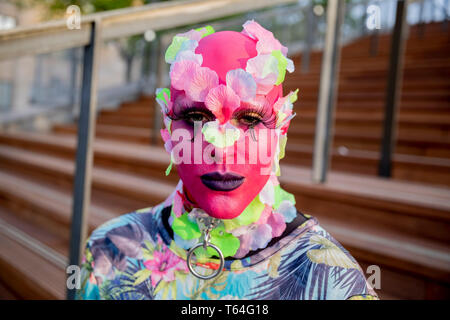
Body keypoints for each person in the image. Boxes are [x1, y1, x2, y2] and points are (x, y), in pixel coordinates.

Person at [76, 20, 378, 300]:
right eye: (195, 117)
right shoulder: (111, 251)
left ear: (282, 129)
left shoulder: (333, 279)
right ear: (168, 125)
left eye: (250, 119)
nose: (220, 148)